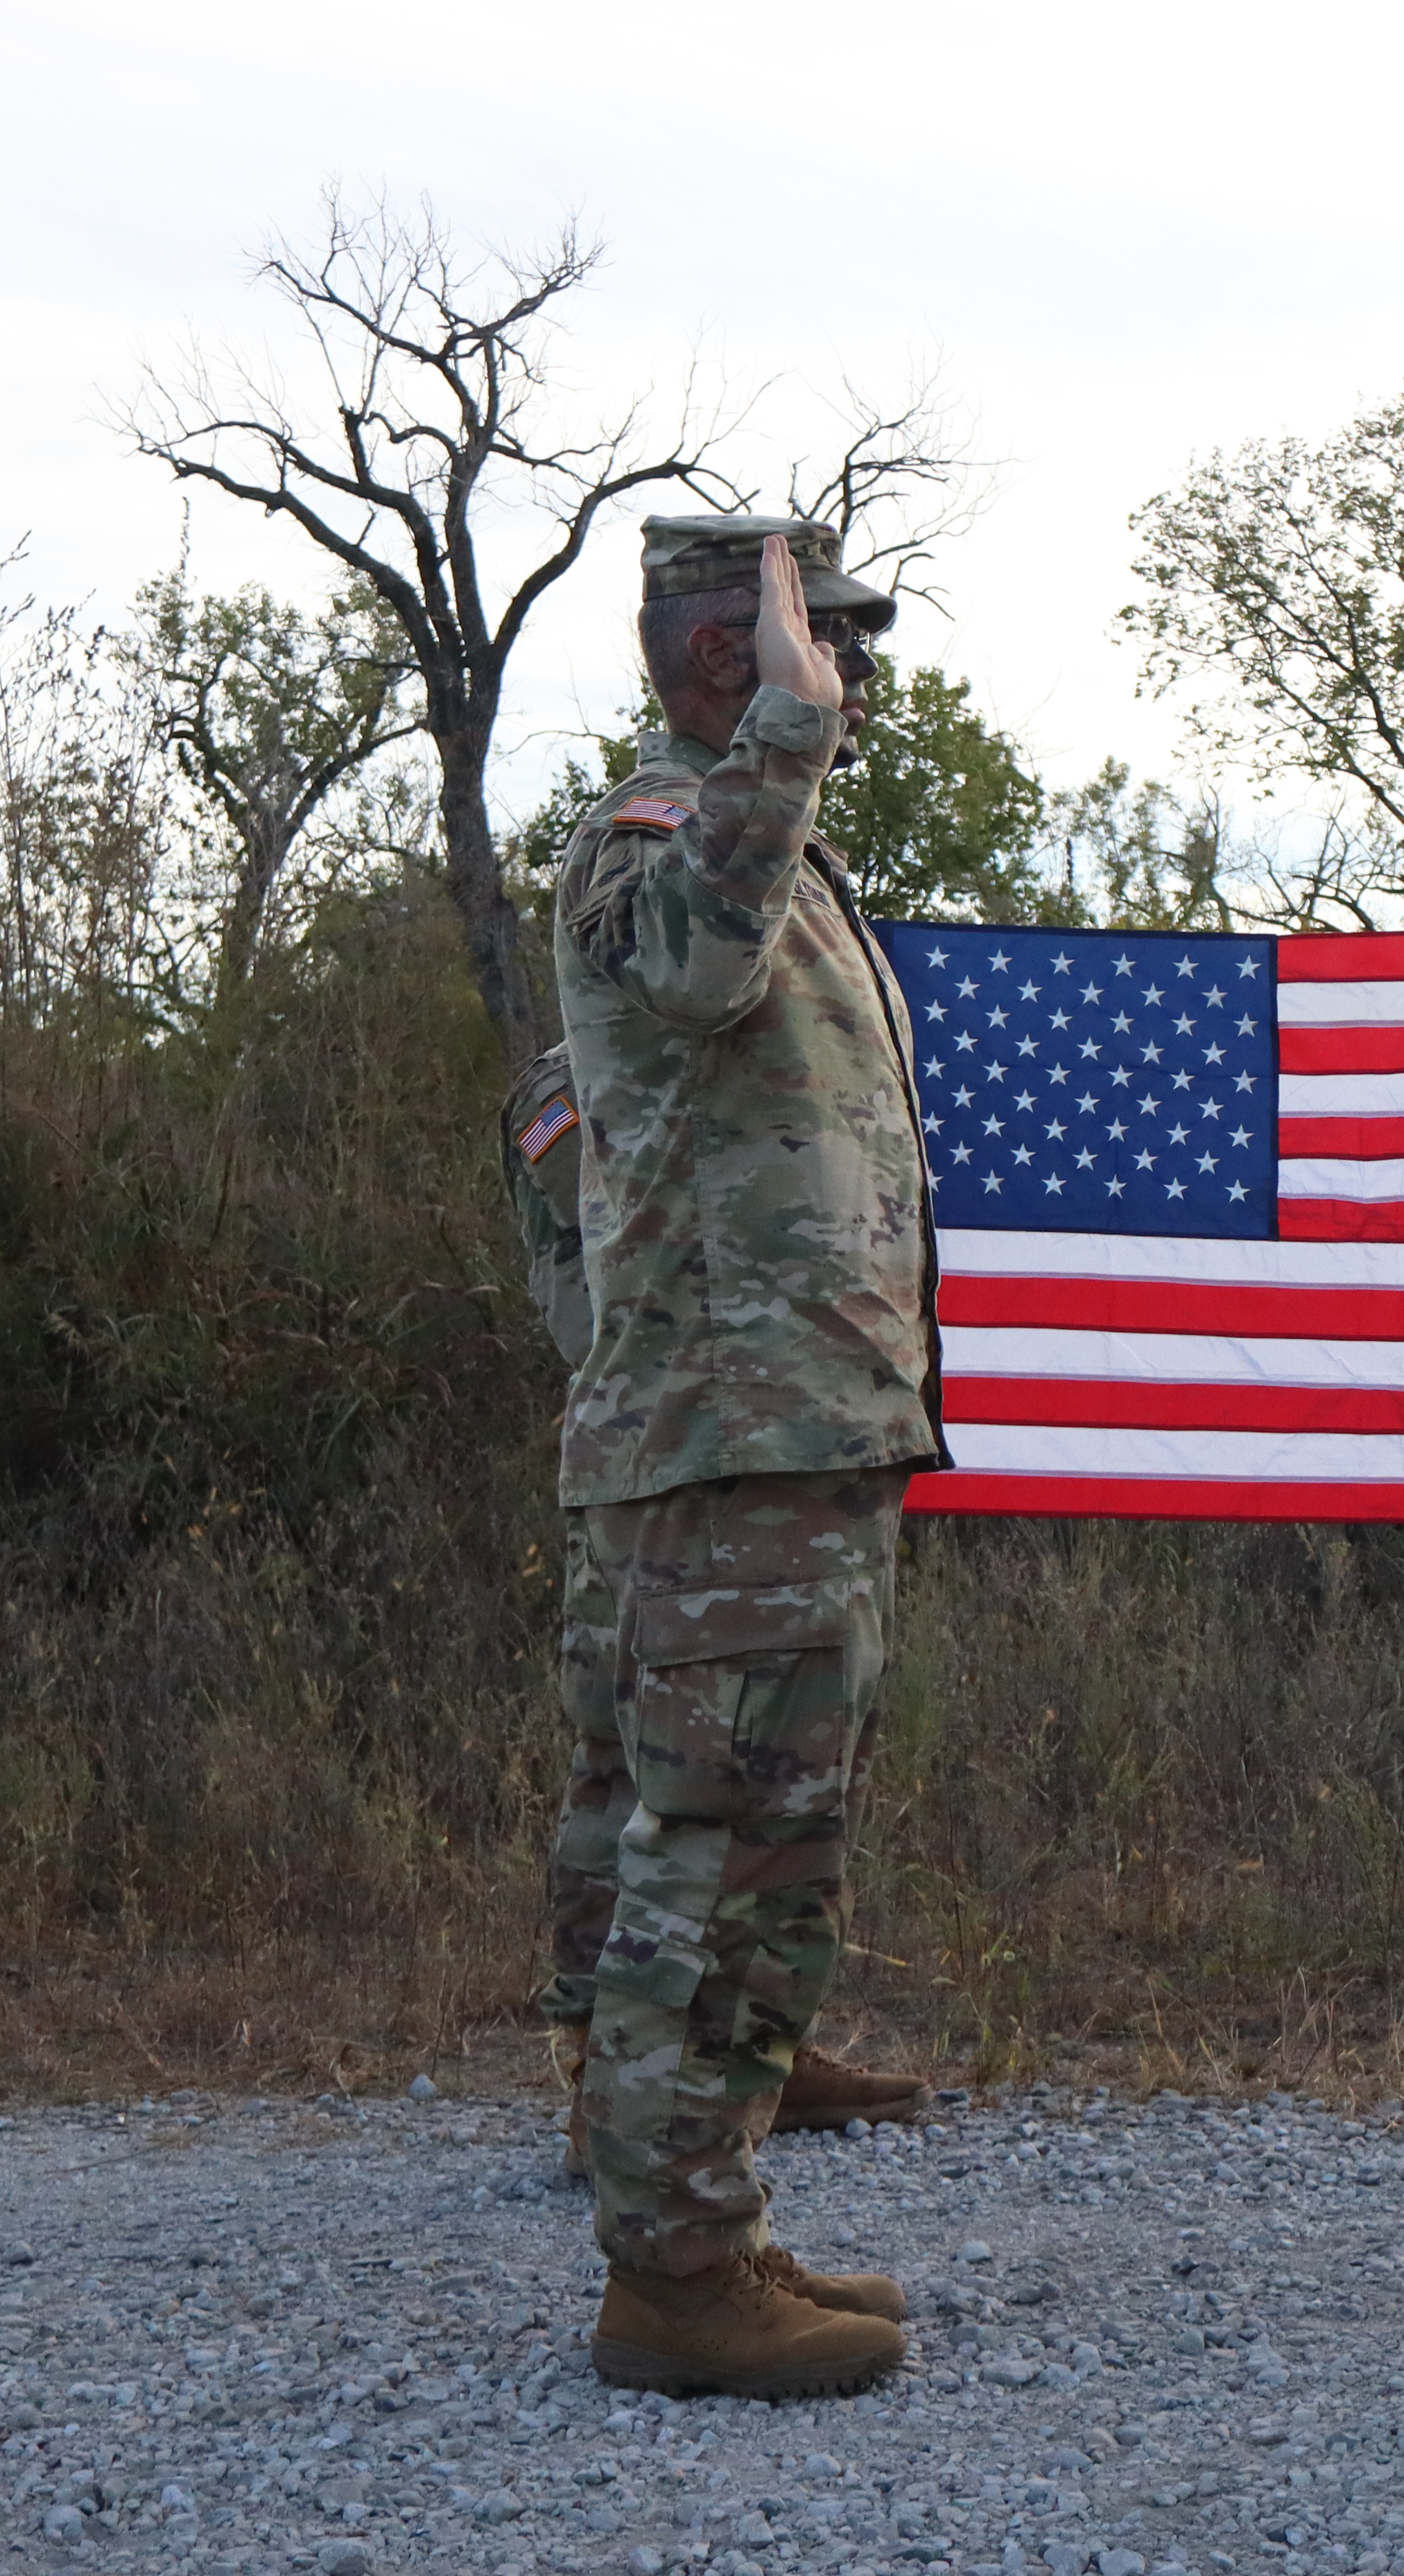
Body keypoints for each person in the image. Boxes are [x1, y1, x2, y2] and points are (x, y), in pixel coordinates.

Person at [537, 516, 944, 2398]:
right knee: (702, 1855)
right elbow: (698, 981)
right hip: (722, 1439)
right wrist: (787, 738)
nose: (849, 674)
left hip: (796, 1434)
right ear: (731, 664)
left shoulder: (758, 843)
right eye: (816, 644)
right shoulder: (651, 851)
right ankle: (671, 2275)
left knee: (778, 1854)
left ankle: (718, 2228)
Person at [503, 1044, 932, 2188]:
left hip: (733, 1450)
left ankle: (748, 2052)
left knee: (774, 1775)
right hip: (656, 1458)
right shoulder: (579, 1082)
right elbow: (626, 1250)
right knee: (629, 1768)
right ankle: (610, 2079)